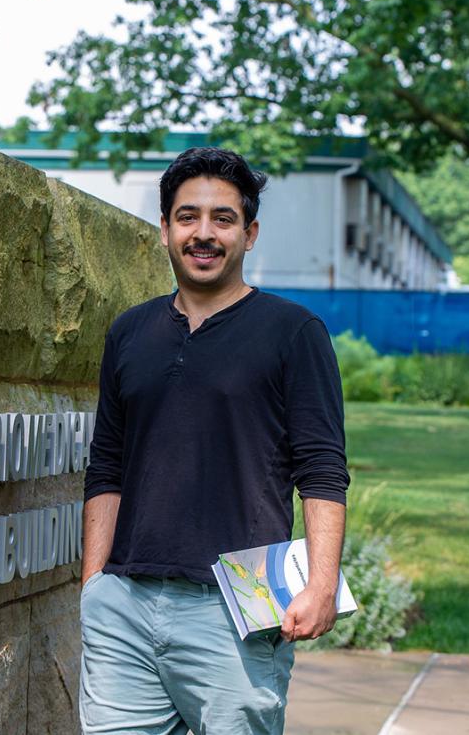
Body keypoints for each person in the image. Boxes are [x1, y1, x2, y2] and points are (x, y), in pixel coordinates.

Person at [79, 146, 349, 735]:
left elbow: (323, 471)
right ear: (165, 230)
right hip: (125, 604)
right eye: (188, 217)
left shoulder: (293, 332)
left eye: (222, 219)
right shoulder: (129, 332)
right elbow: (107, 467)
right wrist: (94, 587)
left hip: (237, 610)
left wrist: (321, 583)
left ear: (249, 234)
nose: (204, 234)